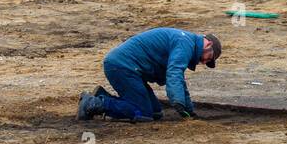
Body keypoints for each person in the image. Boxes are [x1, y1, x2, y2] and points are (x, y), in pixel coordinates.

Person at [78, 28, 221, 122]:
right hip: (122, 67)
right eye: (210, 57)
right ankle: (93, 103)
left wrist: (189, 110)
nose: (205, 62)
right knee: (143, 113)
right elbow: (174, 73)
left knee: (155, 112)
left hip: (130, 69)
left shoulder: (187, 43)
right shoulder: (185, 44)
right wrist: (178, 102)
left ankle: (101, 96)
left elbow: (179, 79)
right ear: (208, 44)